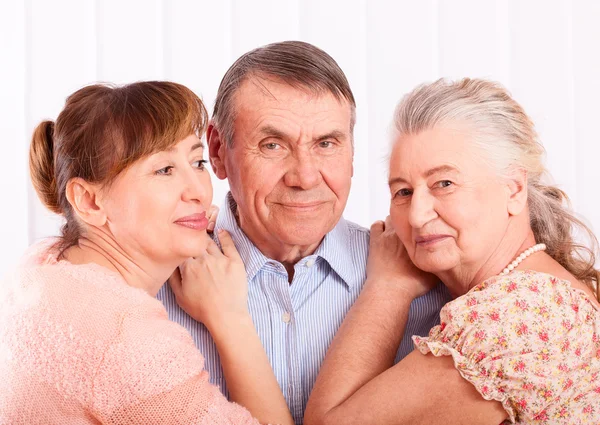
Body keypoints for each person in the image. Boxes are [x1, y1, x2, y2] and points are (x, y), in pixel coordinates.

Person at [157, 41, 452, 424]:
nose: (305, 177)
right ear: (217, 150)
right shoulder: (152, 287)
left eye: (326, 144)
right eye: (273, 144)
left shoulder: (431, 286)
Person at [304, 78, 600, 424]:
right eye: (403, 192)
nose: (416, 215)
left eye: (444, 184)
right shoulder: (546, 294)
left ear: (515, 190)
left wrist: (389, 287)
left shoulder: (510, 317)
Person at [0, 81, 293, 425]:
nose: (199, 190)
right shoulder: (126, 339)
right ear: (90, 201)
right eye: (164, 170)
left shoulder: (42, 263)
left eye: (197, 163)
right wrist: (230, 318)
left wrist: (182, 226)